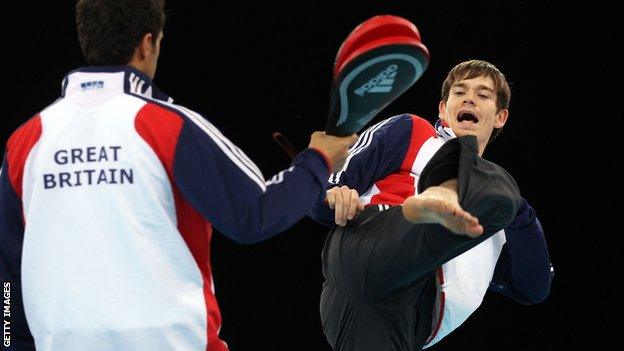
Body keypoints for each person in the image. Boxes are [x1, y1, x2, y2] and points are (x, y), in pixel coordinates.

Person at [0, 1, 358, 350]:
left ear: (86, 37)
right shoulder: (167, 126)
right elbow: (256, 214)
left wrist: (10, 341)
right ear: (148, 42)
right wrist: (318, 159)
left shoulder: (24, 143)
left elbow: (8, 281)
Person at [311, 60, 554, 350]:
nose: (469, 98)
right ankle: (432, 200)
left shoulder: (493, 209)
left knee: (500, 192)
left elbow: (533, 288)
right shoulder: (411, 131)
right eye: (459, 92)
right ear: (443, 109)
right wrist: (333, 195)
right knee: (483, 172)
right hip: (374, 250)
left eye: (483, 94)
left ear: (500, 117)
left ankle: (436, 203)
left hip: (407, 322)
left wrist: (520, 214)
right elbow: (321, 193)